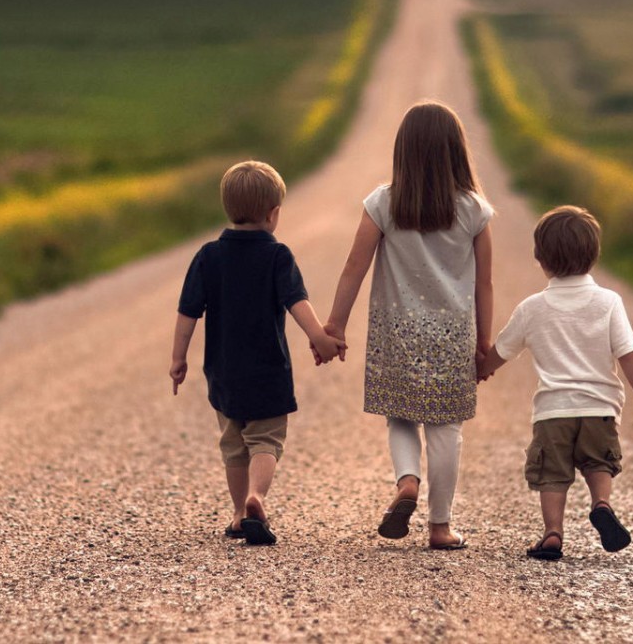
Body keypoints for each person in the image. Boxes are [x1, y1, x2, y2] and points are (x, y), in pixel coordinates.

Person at [322, 101, 494, 551]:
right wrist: (485, 343)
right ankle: (440, 527)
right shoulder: (474, 210)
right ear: (457, 151)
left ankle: (407, 482)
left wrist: (334, 327)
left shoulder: (383, 202)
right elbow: (486, 285)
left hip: (395, 332)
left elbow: (352, 269)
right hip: (452, 336)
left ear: (403, 151)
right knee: (446, 428)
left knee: (399, 414)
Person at [170, 160, 343, 546]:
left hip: (223, 372)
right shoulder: (278, 256)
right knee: (265, 440)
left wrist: (177, 359)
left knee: (233, 445)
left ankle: (236, 514)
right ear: (273, 214)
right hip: (267, 372)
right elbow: (298, 303)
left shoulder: (208, 256)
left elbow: (187, 312)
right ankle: (257, 496)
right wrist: (321, 339)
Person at [477, 205, 633, 561]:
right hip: (599, 407)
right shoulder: (608, 302)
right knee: (598, 463)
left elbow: (503, 349)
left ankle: (552, 534)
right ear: (594, 255)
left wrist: (481, 369)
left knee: (552, 475)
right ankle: (602, 504)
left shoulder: (532, 307)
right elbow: (627, 352)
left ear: (540, 259)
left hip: (553, 411)